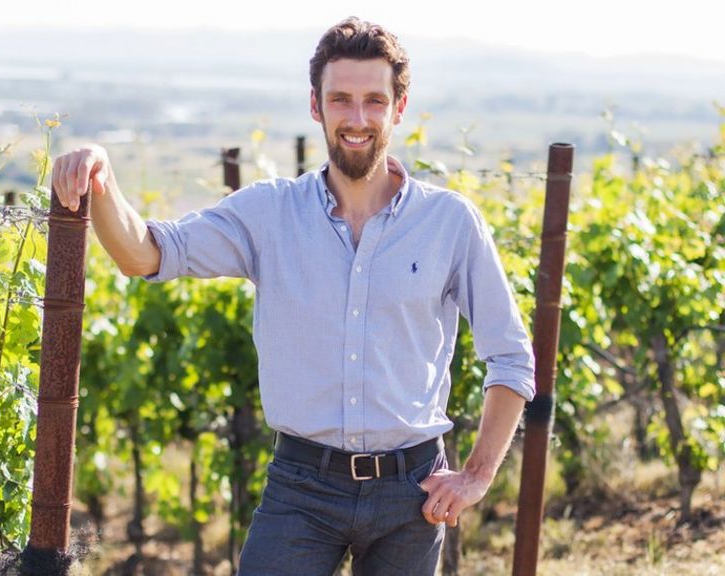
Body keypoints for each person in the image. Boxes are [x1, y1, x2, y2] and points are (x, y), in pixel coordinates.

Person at [51, 16, 535, 576]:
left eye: (374, 101)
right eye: (341, 100)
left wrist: (475, 476)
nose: (358, 119)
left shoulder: (450, 222)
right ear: (316, 106)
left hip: (413, 493)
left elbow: (511, 358)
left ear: (399, 108)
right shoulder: (269, 213)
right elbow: (147, 254)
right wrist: (102, 178)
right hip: (302, 489)